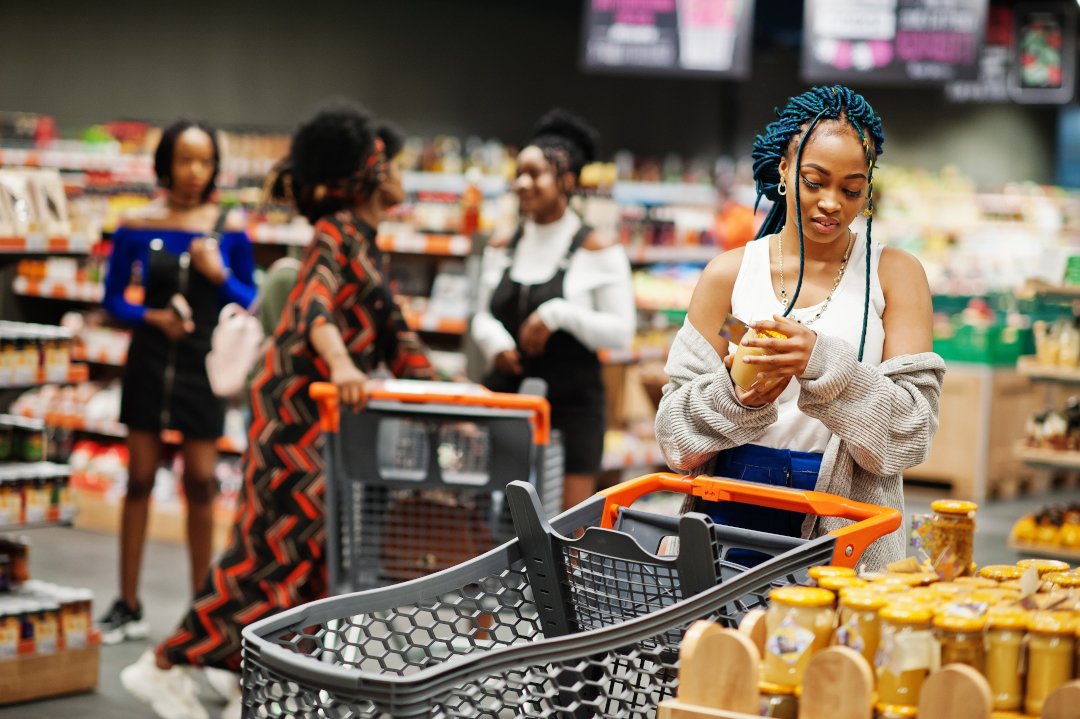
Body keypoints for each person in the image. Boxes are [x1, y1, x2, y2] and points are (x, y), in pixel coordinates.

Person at [121, 103, 435, 719]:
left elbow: (401, 342)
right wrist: (343, 364)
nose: (400, 171)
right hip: (294, 418)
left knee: (312, 561)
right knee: (268, 556)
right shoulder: (335, 234)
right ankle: (165, 666)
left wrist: (463, 396)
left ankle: (259, 681)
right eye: (389, 160)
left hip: (322, 425)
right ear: (364, 174)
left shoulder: (367, 245)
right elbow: (314, 306)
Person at [655, 85, 945, 569]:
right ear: (785, 171)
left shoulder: (895, 276)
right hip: (728, 508)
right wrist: (736, 395)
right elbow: (673, 437)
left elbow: (911, 435)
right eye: (815, 181)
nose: (832, 203)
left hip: (847, 522)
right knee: (726, 642)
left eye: (852, 188)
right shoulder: (728, 276)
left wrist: (823, 364)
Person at [99, 119, 256, 644]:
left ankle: (200, 614)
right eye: (185, 160)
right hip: (148, 361)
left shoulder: (229, 227)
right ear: (166, 164)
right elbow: (114, 297)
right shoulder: (136, 224)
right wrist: (151, 318)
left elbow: (250, 298)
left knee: (200, 483)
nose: (195, 171)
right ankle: (127, 602)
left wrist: (219, 276)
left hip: (201, 367)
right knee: (139, 478)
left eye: (205, 161)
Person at [471, 109, 635, 509]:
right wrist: (494, 342)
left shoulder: (599, 249)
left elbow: (621, 332)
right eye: (519, 173)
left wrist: (558, 313)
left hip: (572, 411)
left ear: (566, 180)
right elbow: (480, 315)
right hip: (506, 402)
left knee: (568, 531)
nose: (522, 183)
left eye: (535, 174)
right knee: (497, 526)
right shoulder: (502, 244)